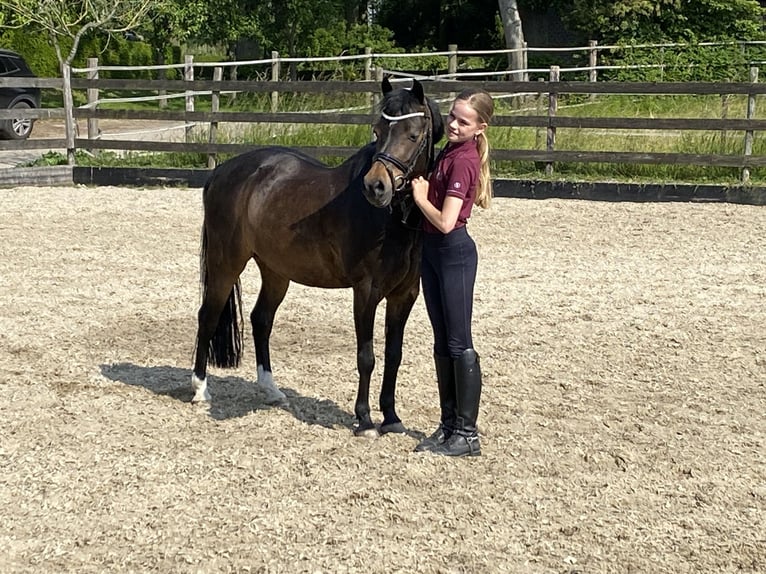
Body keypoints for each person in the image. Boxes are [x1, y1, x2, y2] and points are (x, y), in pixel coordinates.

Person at [410, 88, 494, 457]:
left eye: (464, 121)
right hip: (432, 253)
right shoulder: (448, 150)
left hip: (452, 252)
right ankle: (448, 425)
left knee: (459, 343)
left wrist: (420, 199)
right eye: (453, 117)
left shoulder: (464, 160)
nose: (454, 125)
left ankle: (467, 433)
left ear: (480, 127)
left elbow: (445, 221)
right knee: (442, 341)